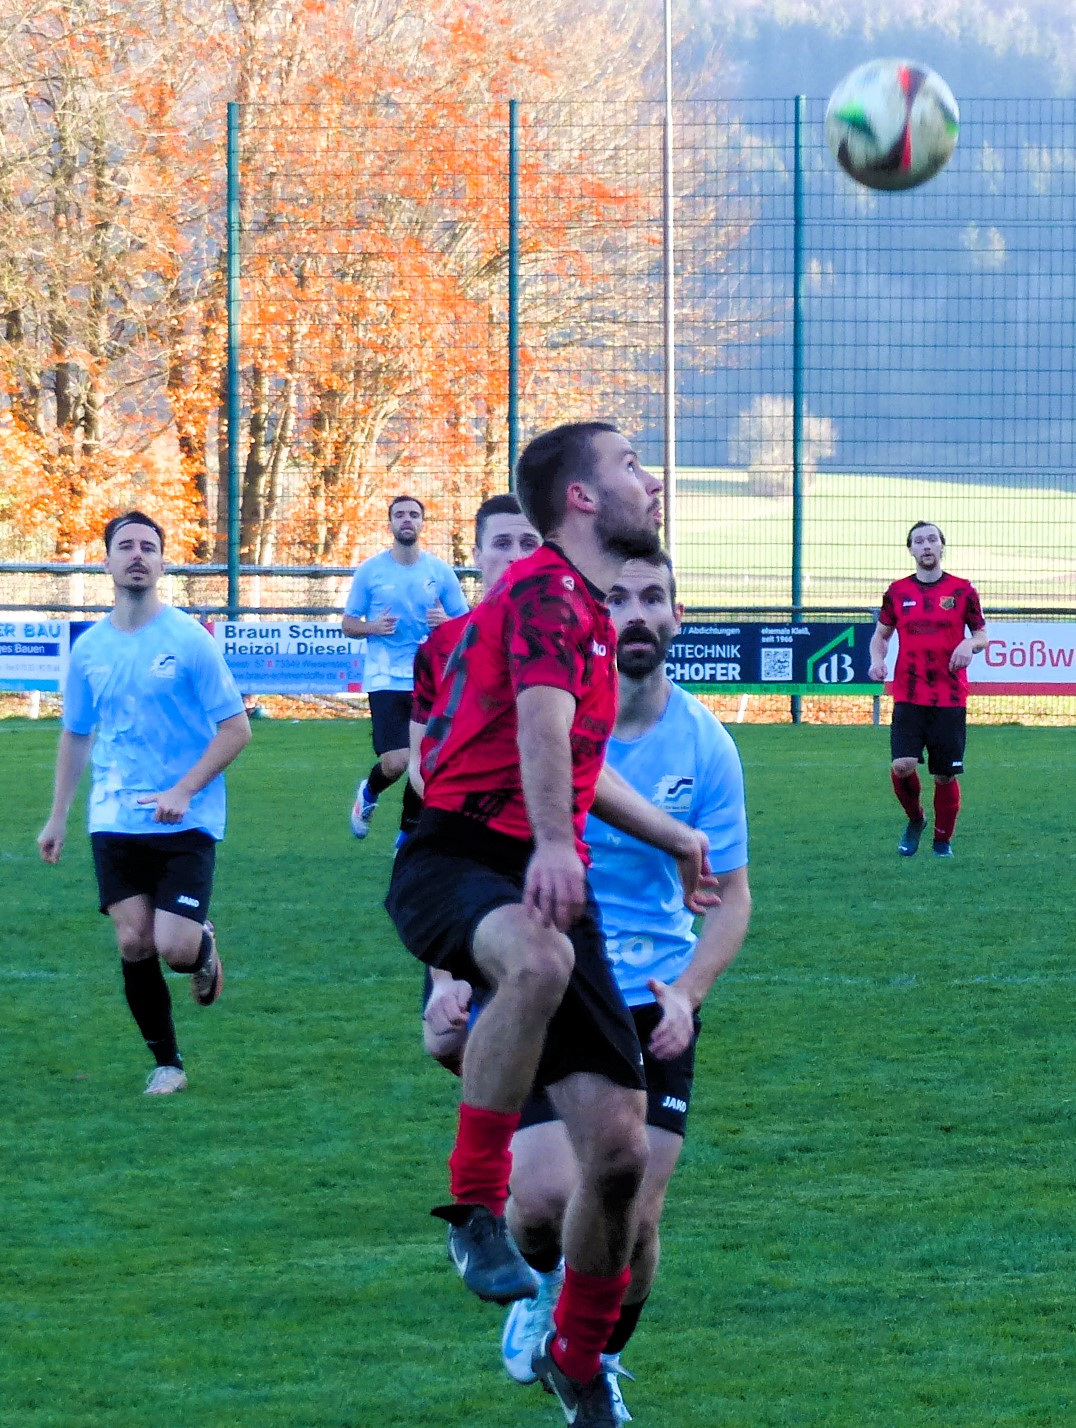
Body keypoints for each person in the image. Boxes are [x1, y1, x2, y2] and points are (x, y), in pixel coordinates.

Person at [385, 422, 717, 1428]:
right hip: (456, 858)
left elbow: (578, 756)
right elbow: (538, 724)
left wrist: (674, 835)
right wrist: (554, 843)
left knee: (618, 1156)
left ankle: (576, 1357)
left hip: (537, 871)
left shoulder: (583, 612)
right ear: (580, 497)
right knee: (534, 959)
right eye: (630, 466)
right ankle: (472, 1208)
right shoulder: (542, 592)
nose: (651, 481)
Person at [425, 553, 751, 1421]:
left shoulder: (707, 744)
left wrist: (688, 991)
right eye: (618, 598)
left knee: (632, 1220)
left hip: (649, 999)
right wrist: (445, 978)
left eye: (654, 598)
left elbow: (734, 899)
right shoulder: (544, 720)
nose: (636, 613)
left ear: (677, 618)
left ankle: (590, 1365)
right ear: (590, 619)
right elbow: (458, 859)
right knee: (539, 1208)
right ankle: (543, 1287)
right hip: (553, 979)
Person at [37, 511, 251, 1096]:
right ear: (106, 561)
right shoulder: (89, 649)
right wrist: (58, 815)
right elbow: (76, 734)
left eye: (148, 547)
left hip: (187, 817)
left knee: (174, 949)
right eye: (126, 546)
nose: (137, 555)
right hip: (114, 816)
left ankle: (200, 946)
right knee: (133, 940)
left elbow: (236, 729)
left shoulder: (189, 639)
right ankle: (168, 1063)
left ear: (162, 563)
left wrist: (184, 789)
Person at [341, 494, 468, 842]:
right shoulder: (371, 571)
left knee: (426, 761)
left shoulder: (439, 572)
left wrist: (446, 622)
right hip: (385, 678)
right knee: (397, 762)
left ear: (423, 523)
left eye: (413, 514)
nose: (407, 519)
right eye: (400, 515)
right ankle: (369, 791)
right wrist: (372, 627)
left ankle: (406, 836)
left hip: (429, 678)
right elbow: (348, 624)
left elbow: (467, 622)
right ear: (391, 524)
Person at [868, 521, 987, 858]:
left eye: (932, 539)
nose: (926, 546)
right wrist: (876, 660)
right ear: (911, 550)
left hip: (949, 696)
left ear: (941, 546)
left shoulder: (963, 590)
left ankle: (942, 840)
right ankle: (916, 819)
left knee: (945, 775)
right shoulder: (897, 592)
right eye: (919, 541)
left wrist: (969, 644)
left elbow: (981, 634)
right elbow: (881, 635)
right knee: (902, 765)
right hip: (909, 692)